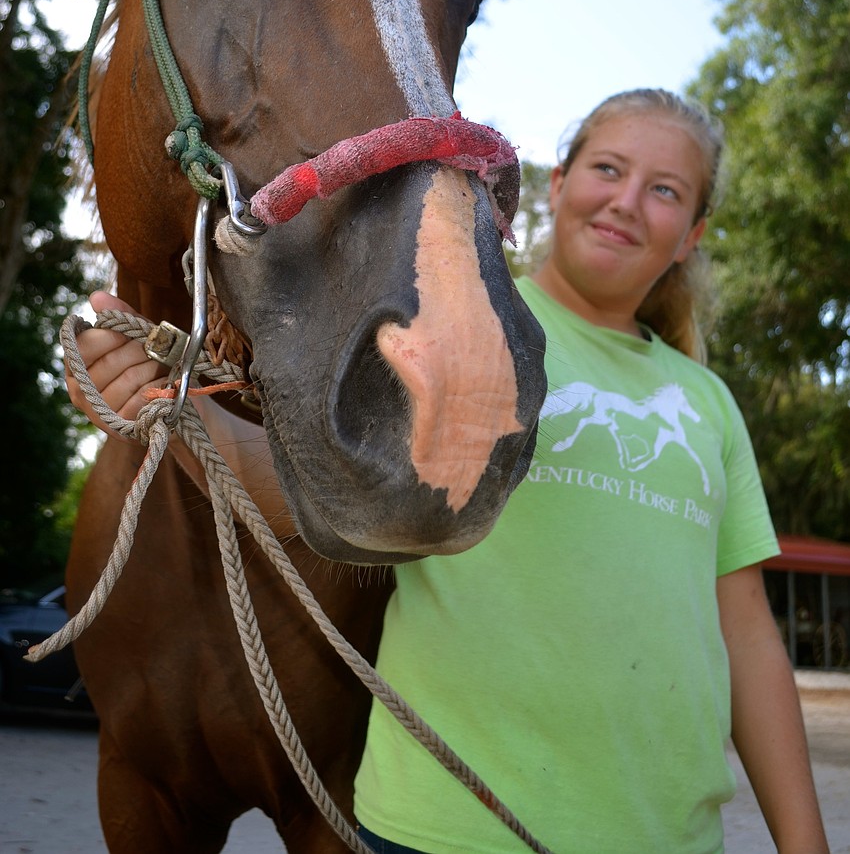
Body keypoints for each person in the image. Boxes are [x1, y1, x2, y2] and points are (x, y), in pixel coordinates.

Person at [67, 88, 829, 854]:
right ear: (559, 182)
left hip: (669, 835)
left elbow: (748, 633)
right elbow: (317, 498)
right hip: (446, 828)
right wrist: (169, 405)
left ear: (692, 234)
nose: (626, 201)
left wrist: (805, 841)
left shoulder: (708, 400)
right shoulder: (454, 333)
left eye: (664, 190)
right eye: (608, 168)